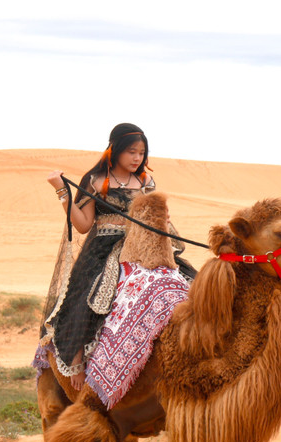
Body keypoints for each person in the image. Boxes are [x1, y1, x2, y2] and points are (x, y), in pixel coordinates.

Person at [36, 123, 193, 390]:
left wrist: (163, 218)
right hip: (103, 247)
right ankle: (76, 362)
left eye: (141, 153)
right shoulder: (96, 181)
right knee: (88, 294)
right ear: (116, 150)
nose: (137, 158)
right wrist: (62, 192)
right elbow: (84, 225)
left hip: (143, 245)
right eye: (132, 152)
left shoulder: (146, 182)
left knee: (188, 281)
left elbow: (155, 216)